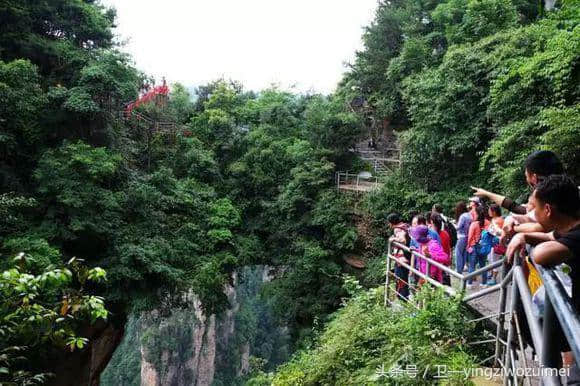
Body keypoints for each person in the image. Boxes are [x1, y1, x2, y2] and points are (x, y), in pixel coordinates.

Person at [506, 175, 580, 382]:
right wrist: (523, 236)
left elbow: (541, 254)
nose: (533, 216)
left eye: (535, 209)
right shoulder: (570, 229)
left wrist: (523, 235)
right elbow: (550, 237)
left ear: (548, 210)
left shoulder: (576, 236)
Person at [471, 150, 564, 215]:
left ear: (534, 177)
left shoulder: (542, 197)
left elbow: (522, 211)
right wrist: (487, 194)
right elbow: (518, 208)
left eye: (526, 176)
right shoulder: (566, 190)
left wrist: (517, 228)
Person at [387, 213, 411, 300]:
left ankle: (402, 299)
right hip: (408, 257)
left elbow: (403, 240)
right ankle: (405, 297)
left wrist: (393, 239)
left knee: (401, 279)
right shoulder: (405, 225)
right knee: (404, 279)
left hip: (401, 259)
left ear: (392, 222)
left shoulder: (397, 229)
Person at [466, 206, 490, 288]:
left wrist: (468, 246)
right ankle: (484, 283)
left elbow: (470, 237)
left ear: (477, 214)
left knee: (472, 265)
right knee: (483, 265)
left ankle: (470, 283)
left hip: (474, 245)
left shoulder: (474, 224)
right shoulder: (487, 223)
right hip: (483, 246)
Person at [430, 213, 452, 285]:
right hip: (445, 261)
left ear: (432, 222)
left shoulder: (431, 235)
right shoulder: (445, 234)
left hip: (436, 264)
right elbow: (448, 248)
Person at [487, 204, 505, 285]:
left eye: (490, 210)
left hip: (496, 243)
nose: (488, 212)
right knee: (490, 258)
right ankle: (491, 275)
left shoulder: (498, 220)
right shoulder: (494, 219)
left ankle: (494, 279)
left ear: (494, 212)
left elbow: (499, 232)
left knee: (494, 260)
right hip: (492, 243)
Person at [455, 201, 472, 274]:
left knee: (458, 253)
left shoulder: (462, 216)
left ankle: (458, 271)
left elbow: (458, 227)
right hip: (467, 236)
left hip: (461, 237)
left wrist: (453, 225)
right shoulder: (469, 215)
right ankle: (462, 268)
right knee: (464, 254)